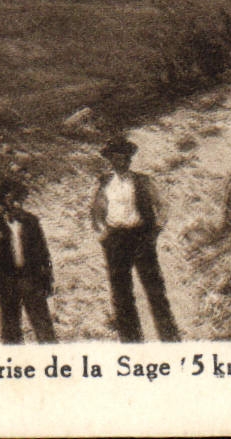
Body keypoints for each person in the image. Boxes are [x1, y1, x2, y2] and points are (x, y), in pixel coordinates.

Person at [90, 135, 180, 342]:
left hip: (140, 237)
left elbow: (162, 205)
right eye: (114, 158)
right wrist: (103, 236)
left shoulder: (143, 181)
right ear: (110, 160)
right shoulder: (104, 184)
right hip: (116, 240)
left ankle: (169, 336)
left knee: (154, 288)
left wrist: (156, 229)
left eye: (123, 158)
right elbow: (96, 212)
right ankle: (131, 339)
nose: (119, 161)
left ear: (129, 160)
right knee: (121, 292)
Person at [0, 180, 56, 343]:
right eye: (9, 198)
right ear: (2, 201)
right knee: (10, 328)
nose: (14, 202)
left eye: (17, 198)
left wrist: (47, 280)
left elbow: (44, 253)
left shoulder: (31, 222)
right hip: (7, 281)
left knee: (42, 323)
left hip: (31, 278)